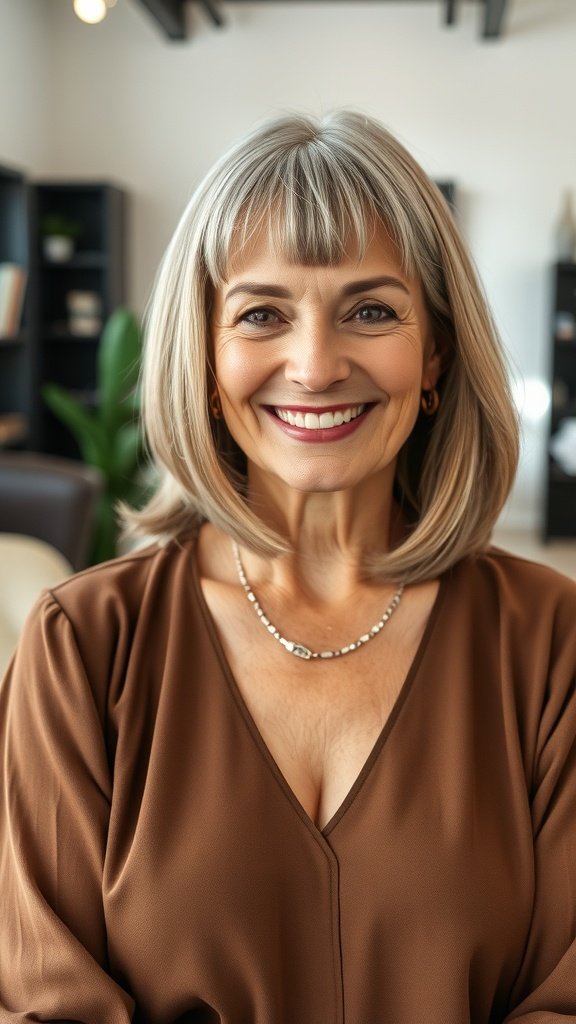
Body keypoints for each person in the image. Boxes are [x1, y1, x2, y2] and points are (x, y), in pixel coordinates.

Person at [0, 109, 575, 1024]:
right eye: (262, 313)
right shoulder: (83, 646)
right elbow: (42, 1004)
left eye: (372, 311)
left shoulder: (553, 641)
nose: (313, 365)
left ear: (435, 356)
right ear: (206, 354)